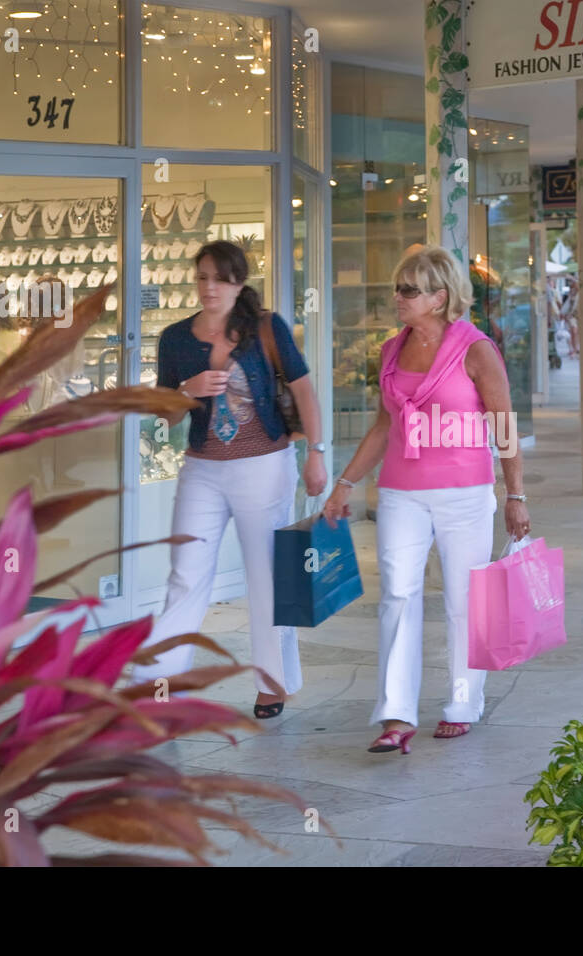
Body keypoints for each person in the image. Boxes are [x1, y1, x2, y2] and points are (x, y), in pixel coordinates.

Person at [321, 245, 531, 756]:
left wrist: (515, 495)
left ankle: (463, 702)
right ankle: (396, 714)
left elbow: (503, 427)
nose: (398, 297)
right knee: (397, 595)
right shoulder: (391, 350)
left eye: (409, 290)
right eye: (397, 288)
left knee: (464, 602)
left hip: (465, 492)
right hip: (400, 492)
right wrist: (345, 483)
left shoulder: (477, 350)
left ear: (440, 297)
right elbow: (383, 425)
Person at [141, 240, 327, 720]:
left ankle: (272, 683)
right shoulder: (176, 339)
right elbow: (165, 420)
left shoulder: (266, 328)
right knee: (185, 576)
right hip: (202, 468)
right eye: (202, 277)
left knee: (266, 576)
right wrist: (186, 390)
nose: (209, 288)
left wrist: (317, 454)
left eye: (220, 278)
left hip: (264, 465)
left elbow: (304, 389)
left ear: (239, 282)